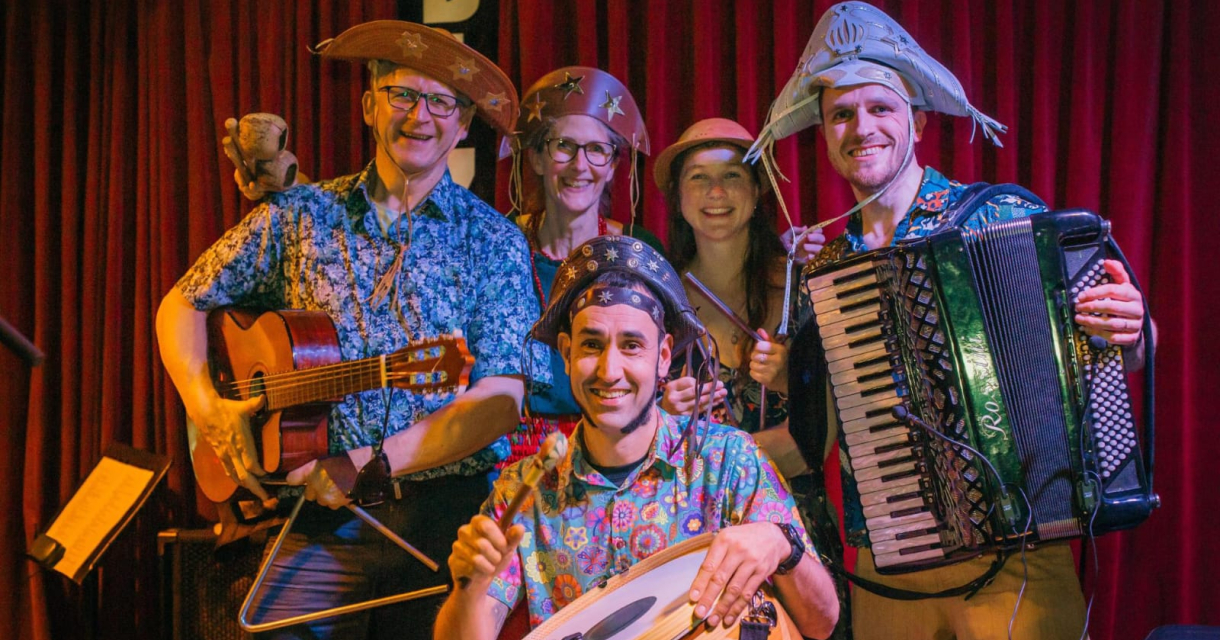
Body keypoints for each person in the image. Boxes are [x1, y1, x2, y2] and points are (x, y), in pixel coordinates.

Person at [751, 3, 1151, 639]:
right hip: (891, 567)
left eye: (880, 108)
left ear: (916, 119)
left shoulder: (998, 218)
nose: (862, 127)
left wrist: (1130, 331)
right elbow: (815, 431)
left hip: (1018, 557)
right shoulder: (826, 265)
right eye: (841, 115)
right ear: (824, 134)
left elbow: (1107, 352)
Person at [155, 20, 537, 640]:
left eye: (443, 102)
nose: (421, 116)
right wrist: (207, 407)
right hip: (314, 515)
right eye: (403, 95)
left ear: (464, 124)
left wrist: (365, 461)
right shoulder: (299, 215)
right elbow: (182, 303)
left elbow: (501, 400)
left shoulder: (494, 241)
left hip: (445, 515)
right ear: (368, 105)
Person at [432, 235, 841, 639]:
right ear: (566, 351)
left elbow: (821, 623)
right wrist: (470, 591)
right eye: (592, 344)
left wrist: (781, 545)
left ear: (663, 356)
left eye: (631, 345)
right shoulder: (522, 493)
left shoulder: (729, 460)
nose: (609, 370)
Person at [655, 117, 852, 637]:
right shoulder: (654, 300)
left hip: (794, 536)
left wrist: (792, 380)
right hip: (688, 539)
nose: (716, 192)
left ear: (758, 188)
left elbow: (817, 442)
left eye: (733, 176)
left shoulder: (802, 289)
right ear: (677, 196)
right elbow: (633, 443)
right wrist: (662, 417)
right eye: (698, 177)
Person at [498, 66, 665, 467]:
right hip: (511, 457)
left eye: (597, 150)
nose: (580, 164)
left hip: (615, 451)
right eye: (563, 146)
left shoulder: (639, 248)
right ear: (537, 158)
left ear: (611, 167)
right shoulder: (499, 244)